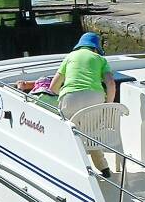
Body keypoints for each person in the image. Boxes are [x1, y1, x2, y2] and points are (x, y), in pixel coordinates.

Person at [49, 32, 116, 178]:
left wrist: (65, 91)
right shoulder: (100, 59)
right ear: (96, 48)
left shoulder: (70, 57)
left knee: (67, 133)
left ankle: (69, 167)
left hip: (70, 98)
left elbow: (53, 87)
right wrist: (108, 104)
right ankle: (104, 169)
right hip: (95, 99)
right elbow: (111, 83)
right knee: (90, 133)